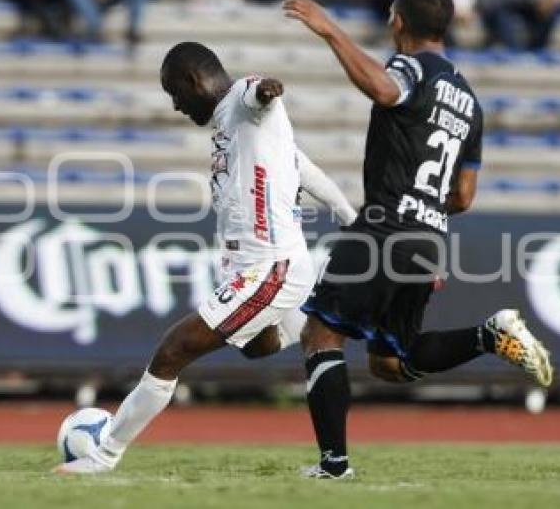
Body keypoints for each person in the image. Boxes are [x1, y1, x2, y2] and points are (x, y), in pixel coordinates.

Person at [284, 0, 553, 479]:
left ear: (398, 21)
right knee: (390, 362)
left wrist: (330, 31)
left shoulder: (409, 65)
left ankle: (334, 466)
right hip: (428, 236)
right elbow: (464, 197)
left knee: (321, 334)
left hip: (386, 225)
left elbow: (386, 90)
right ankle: (489, 336)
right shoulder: (470, 101)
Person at [55, 41, 357, 474]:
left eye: (174, 93)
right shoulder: (237, 131)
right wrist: (349, 216)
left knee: (172, 351)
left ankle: (104, 455)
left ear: (193, 81)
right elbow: (303, 168)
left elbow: (257, 93)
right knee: (256, 346)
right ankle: (310, 314)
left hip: (271, 266)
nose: (176, 106)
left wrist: (266, 91)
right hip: (256, 269)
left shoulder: (243, 102)